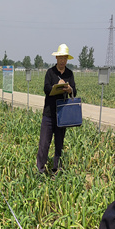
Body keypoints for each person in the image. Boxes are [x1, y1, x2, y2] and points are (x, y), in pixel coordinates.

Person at [36, 43, 76, 174]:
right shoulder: (50, 72)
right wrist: (56, 85)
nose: (62, 61)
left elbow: (74, 90)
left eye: (65, 58)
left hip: (62, 114)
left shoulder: (70, 74)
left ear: (67, 59)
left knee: (59, 144)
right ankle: (40, 170)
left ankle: (55, 170)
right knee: (44, 144)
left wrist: (70, 89)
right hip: (49, 113)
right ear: (56, 58)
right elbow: (46, 88)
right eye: (60, 58)